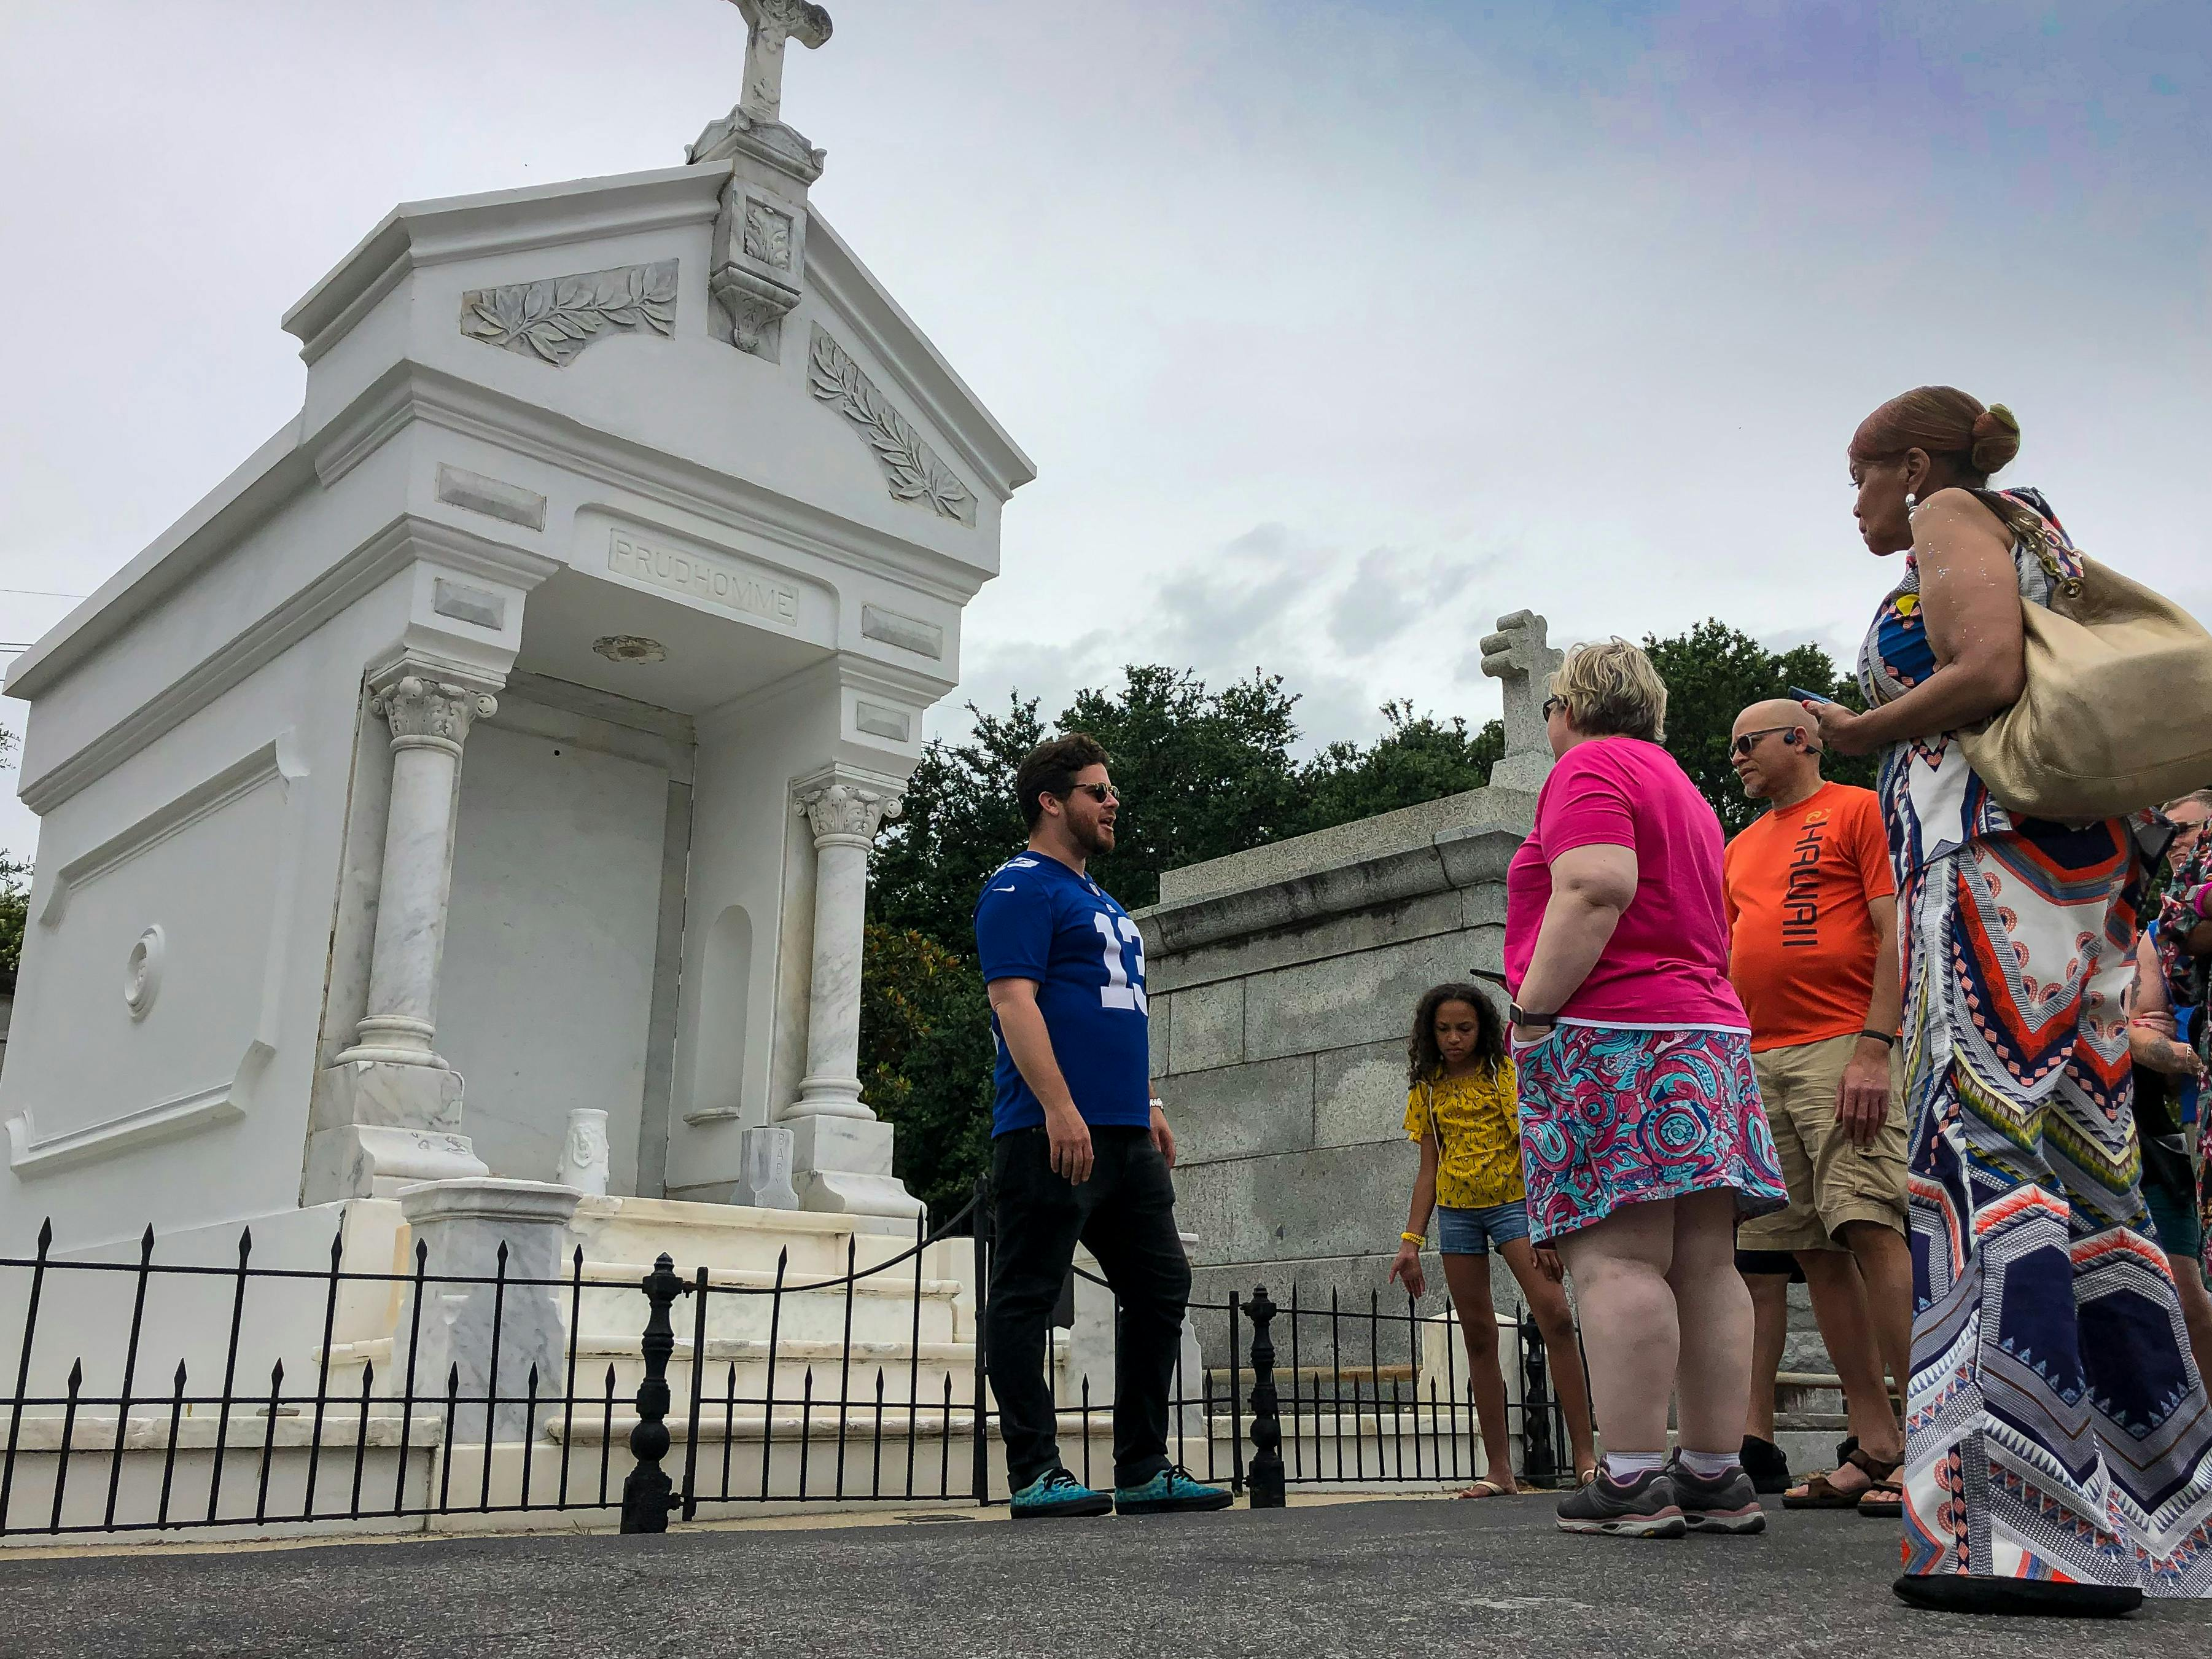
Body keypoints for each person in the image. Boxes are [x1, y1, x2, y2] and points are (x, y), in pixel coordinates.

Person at [1809, 387, 2212, 1614]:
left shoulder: (1949, 517)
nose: (1858, 498)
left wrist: (1859, 725)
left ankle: (2018, 1524)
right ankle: (2151, 1515)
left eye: (1861, 473)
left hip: (1987, 867)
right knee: (2088, 1175)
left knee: (1978, 1155)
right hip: (2067, 875)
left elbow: (1982, 671)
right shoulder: (2036, 530)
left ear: (1914, 463)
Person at [1505, 638, 1788, 1538]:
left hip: (1615, 1031)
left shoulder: (1589, 765)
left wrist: (1532, 1012)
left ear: (1569, 707)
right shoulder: (1680, 786)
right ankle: (1712, 1473)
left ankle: (1626, 1477)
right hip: (1705, 1029)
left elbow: (1594, 885)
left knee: (1617, 1257)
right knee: (1705, 1262)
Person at [973, 734, 1231, 1520]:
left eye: (1109, 789)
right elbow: (1013, 1002)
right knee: (1024, 1294)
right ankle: (1034, 1471)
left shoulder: (1106, 904)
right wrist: (1058, 1107)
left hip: (1123, 1132)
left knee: (1159, 1286)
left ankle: (1144, 1467)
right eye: (1095, 790)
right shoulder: (1018, 888)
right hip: (1048, 1132)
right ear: (1051, 802)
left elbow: (1119, 1016)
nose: (1111, 801)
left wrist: (1148, 1104)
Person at [1721, 700, 1912, 1517]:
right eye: (1728, 747)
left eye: (1747, 742)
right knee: (1812, 1251)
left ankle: (1934, 1435)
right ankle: (1876, 1445)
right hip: (1756, 1057)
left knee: (1868, 1222)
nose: (1734, 757)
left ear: (1800, 740)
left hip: (1842, 1044)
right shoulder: (1737, 847)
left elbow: (1891, 926)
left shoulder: (1857, 809)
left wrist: (1875, 1044)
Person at [1387, 983, 1598, 1496]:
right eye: (1443, 1030)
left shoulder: (1504, 1074)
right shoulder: (1429, 1086)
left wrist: (1548, 1225)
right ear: (1429, 1034)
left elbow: (1533, 1145)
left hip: (1516, 1206)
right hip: (1458, 1212)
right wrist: (1410, 1241)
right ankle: (1500, 1470)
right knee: (1478, 1335)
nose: (1454, 1039)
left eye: (1464, 1028)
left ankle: (1587, 1458)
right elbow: (1427, 1168)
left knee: (1557, 1317)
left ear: (1483, 1028)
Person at [2129, 790, 2212, 1381]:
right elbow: (2144, 1028)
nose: (2179, 842)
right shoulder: (2154, 932)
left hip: (2168, 1128)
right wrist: (2191, 1058)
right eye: (2169, 833)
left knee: (2193, 1295)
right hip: (2172, 1125)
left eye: (2191, 831)